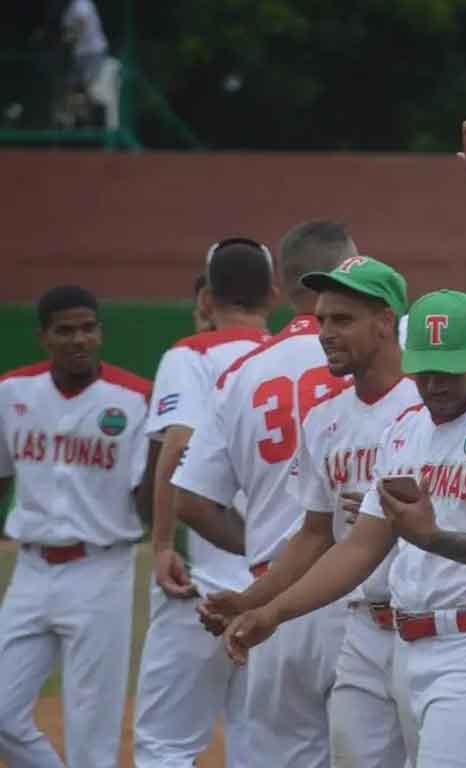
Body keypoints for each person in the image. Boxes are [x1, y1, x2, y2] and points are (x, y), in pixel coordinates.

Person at [199, 114, 466, 767]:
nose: (324, 331)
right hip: (359, 620)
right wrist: (254, 599)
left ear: (388, 323)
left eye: (341, 319)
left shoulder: (433, 386)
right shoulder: (325, 419)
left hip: (442, 623)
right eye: (320, 317)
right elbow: (314, 536)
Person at [222, 287, 466, 768]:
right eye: (424, 369)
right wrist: (273, 612)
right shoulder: (405, 431)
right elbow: (359, 547)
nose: (434, 384)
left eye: (448, 369)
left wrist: (433, 538)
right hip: (401, 646)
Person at [170, 220, 357, 767]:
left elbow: (191, 501)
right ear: (344, 274)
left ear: (285, 283)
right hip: (358, 595)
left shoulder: (241, 374)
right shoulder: (377, 355)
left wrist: (260, 546)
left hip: (274, 599)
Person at [133, 239, 276, 768]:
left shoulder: (190, 355)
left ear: (207, 297)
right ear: (274, 294)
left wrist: (163, 544)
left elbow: (178, 444)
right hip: (278, 582)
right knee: (261, 742)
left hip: (202, 583)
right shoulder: (295, 357)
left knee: (166, 744)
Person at [0, 286, 152, 768]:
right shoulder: (12, 392)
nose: (79, 339)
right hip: (31, 568)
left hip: (100, 570)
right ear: (44, 337)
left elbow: (147, 500)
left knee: (92, 733)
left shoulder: (134, 398)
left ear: (100, 332)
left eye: (88, 328)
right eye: (65, 330)